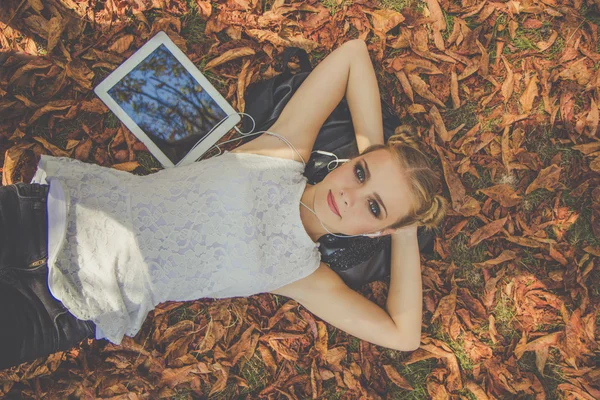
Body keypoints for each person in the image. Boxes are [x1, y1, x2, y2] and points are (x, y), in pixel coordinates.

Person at [0, 39, 447, 370]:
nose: (350, 194)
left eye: (373, 208)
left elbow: (403, 335)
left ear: (378, 230)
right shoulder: (280, 153)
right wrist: (374, 150)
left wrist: (404, 226)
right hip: (46, 218)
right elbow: (353, 55)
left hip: (62, 309)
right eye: (361, 173)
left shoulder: (304, 276)